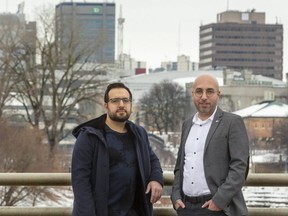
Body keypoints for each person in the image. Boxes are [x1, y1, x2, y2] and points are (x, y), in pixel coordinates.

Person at [71, 82, 163, 216]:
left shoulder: (138, 133)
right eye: (115, 101)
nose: (121, 105)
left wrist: (156, 179)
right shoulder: (89, 136)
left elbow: (152, 159)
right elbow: (80, 183)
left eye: (125, 100)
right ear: (106, 106)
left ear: (131, 104)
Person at [171, 74, 249, 216]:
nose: (204, 96)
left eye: (210, 91)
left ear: (218, 94)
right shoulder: (187, 124)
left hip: (216, 208)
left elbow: (240, 167)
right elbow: (180, 166)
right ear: (193, 94)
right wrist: (176, 197)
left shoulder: (232, 122)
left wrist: (219, 201)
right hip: (186, 208)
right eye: (199, 91)